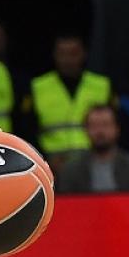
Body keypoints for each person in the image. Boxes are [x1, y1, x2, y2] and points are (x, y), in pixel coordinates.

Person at [26, 33, 112, 170]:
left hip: (94, 162)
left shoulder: (101, 85)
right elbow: (28, 130)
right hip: (51, 164)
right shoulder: (39, 87)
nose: (68, 60)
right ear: (55, 55)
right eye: (62, 54)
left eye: (73, 53)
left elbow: (114, 128)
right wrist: (44, 159)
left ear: (84, 54)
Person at [57, 105, 129, 193]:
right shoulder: (71, 171)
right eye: (94, 126)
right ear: (86, 130)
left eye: (105, 125)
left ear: (117, 129)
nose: (100, 131)